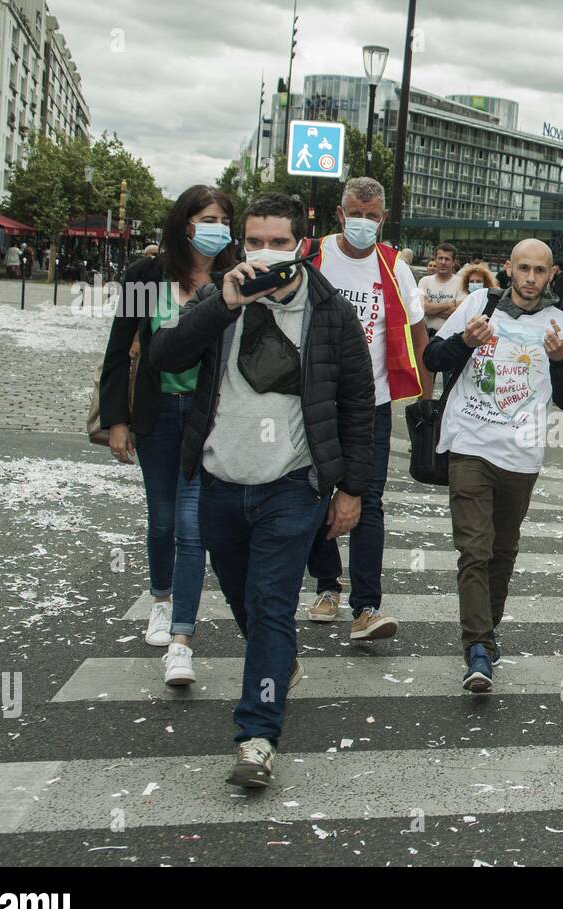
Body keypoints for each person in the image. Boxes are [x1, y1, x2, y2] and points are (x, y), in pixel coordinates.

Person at [148, 192, 376, 788]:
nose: (266, 253)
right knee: (246, 599)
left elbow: (356, 404)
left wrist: (350, 490)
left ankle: (256, 735)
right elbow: (165, 353)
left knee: (272, 603)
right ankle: (279, 665)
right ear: (240, 242)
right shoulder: (219, 294)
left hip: (292, 485)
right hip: (221, 479)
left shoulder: (329, 311)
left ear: (303, 244)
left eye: (279, 242)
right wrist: (222, 303)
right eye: (255, 241)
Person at [423, 239, 563, 692]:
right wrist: (463, 341)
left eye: (539, 270)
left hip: (522, 453)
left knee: (502, 550)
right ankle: (477, 646)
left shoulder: (561, 325)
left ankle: (486, 630)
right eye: (523, 269)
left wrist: (560, 361)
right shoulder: (479, 304)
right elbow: (432, 358)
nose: (531, 278)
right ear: (508, 270)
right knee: (474, 548)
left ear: (551, 274)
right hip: (470, 443)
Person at [100, 185, 234, 685]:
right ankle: (161, 599)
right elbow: (118, 350)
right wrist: (119, 419)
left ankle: (182, 640)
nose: (216, 225)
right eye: (207, 217)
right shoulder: (144, 276)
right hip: (157, 414)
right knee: (161, 519)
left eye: (223, 217)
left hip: (208, 416)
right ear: (185, 223)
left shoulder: (231, 278)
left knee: (191, 526)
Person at [303, 177, 432, 637]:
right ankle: (325, 585)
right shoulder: (311, 255)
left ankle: (366, 606)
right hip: (314, 401)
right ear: (341, 215)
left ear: (382, 218)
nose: (364, 222)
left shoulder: (395, 266)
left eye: (372, 216)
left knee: (368, 501)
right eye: (356, 214)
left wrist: (426, 389)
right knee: (315, 494)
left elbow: (417, 329)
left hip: (371, 404)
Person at [418, 241, 464, 337]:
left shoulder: (461, 282)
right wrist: (450, 304)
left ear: (453, 262)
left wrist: (431, 310)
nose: (443, 262)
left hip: (449, 338)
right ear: (435, 259)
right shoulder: (424, 281)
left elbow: (459, 313)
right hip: (426, 336)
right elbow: (420, 308)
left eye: (447, 259)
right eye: (440, 258)